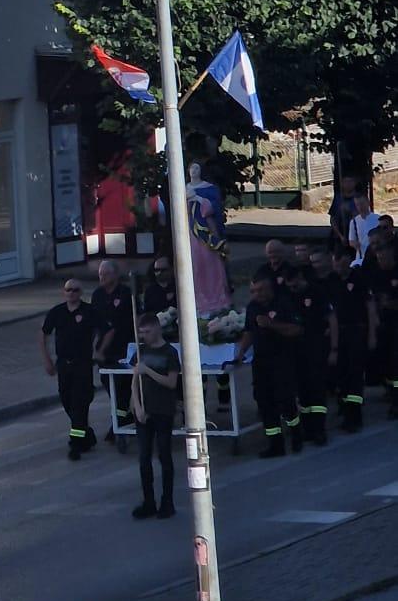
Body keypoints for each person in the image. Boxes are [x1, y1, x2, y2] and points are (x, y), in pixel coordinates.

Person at [237, 268, 303, 457]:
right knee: (264, 401)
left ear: (270, 289)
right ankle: (275, 444)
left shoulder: (283, 304)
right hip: (261, 361)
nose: (256, 294)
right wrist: (241, 351)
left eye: (260, 290)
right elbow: (249, 331)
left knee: (286, 400)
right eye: (253, 291)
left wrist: (271, 324)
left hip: (282, 359)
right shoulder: (252, 307)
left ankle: (296, 434)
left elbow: (297, 329)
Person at [128, 313, 180, 519]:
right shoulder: (141, 351)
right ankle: (148, 501)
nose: (144, 336)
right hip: (144, 411)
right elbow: (134, 381)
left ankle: (167, 502)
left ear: (157, 328)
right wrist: (137, 406)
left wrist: (147, 370)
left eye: (147, 332)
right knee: (143, 458)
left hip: (163, 410)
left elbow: (171, 382)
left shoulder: (169, 353)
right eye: (141, 332)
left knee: (164, 455)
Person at [40, 278, 97, 459]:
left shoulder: (89, 311)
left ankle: (76, 444)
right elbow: (43, 334)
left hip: (83, 364)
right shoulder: (57, 312)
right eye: (68, 290)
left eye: (75, 290)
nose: (71, 293)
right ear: (64, 292)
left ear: (80, 292)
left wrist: (100, 350)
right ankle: (87, 434)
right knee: (66, 400)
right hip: (64, 364)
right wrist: (47, 359)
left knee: (79, 403)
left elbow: (105, 330)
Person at [288, 258, 335, 446]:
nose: (292, 288)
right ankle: (308, 429)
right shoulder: (289, 295)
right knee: (303, 392)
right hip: (297, 350)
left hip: (316, 348)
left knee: (317, 392)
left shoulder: (316, 292)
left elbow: (332, 319)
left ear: (300, 278)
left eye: (294, 285)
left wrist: (334, 348)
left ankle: (320, 430)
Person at [333, 240, 374, 431]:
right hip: (338, 332)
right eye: (334, 260)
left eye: (339, 260)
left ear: (348, 260)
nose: (336, 264)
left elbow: (369, 306)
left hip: (357, 330)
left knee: (355, 373)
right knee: (340, 373)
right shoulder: (332, 281)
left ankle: (354, 416)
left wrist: (372, 333)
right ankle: (344, 407)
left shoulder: (359, 278)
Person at [91, 260, 134, 435]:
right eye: (100, 274)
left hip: (123, 346)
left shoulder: (125, 293)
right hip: (104, 349)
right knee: (108, 383)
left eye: (106, 274)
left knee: (122, 385)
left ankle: (118, 423)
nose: (102, 277)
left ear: (115, 275)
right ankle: (121, 418)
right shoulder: (97, 294)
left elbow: (127, 320)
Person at [186, 169, 232, 313]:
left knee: (212, 264)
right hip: (191, 234)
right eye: (192, 168)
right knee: (196, 267)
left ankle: (218, 300)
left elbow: (214, 209)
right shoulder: (184, 187)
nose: (194, 171)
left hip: (207, 232)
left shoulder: (209, 188)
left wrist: (198, 199)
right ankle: (198, 301)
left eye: (197, 168)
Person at [367, 231, 398, 415]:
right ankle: (389, 390)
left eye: (384, 258)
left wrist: (392, 304)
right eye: (378, 258)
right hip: (383, 323)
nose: (381, 261)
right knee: (384, 359)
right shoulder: (375, 273)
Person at [348, 191, 381, 266]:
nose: (360, 207)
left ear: (368, 202)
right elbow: (351, 241)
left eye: (362, 204)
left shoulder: (378, 219)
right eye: (357, 205)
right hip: (361, 256)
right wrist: (355, 244)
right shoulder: (354, 222)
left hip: (376, 254)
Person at [140, 255, 174, 322]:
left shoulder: (179, 288)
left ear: (171, 269)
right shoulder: (150, 291)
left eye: (163, 270)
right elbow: (146, 313)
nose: (159, 273)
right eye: (156, 270)